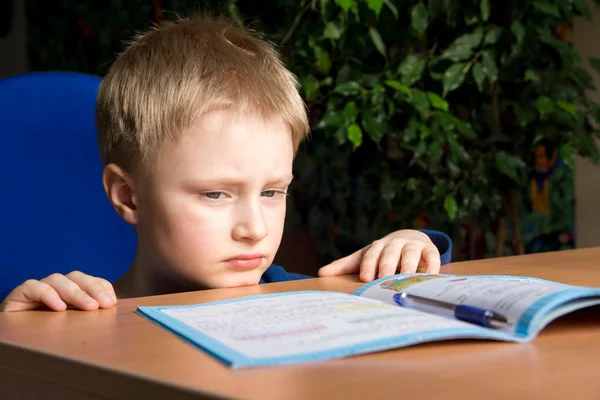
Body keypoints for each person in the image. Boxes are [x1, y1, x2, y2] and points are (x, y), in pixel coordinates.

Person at [0, 14, 451, 313]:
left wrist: (410, 249)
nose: (254, 228)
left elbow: (412, 303)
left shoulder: (289, 292)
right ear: (128, 194)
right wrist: (17, 348)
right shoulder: (75, 320)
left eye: (273, 192)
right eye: (216, 193)